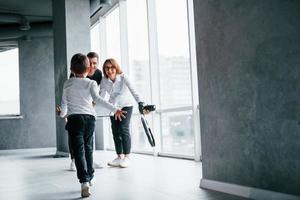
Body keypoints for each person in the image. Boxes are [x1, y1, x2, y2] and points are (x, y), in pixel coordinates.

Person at [56, 53, 126, 198]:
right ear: (88, 69)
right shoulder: (91, 83)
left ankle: (84, 182)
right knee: (88, 149)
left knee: (78, 151)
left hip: (74, 120)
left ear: (71, 69)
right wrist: (115, 109)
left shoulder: (67, 83)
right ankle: (91, 175)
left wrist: (61, 114)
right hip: (89, 119)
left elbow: (64, 110)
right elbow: (98, 99)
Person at [100, 58, 149, 168]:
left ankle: (127, 157)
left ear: (116, 67)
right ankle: (119, 156)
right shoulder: (104, 80)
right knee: (115, 131)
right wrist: (95, 103)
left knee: (123, 129)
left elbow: (134, 91)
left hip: (126, 105)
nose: (110, 70)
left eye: (112, 67)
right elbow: (102, 95)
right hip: (113, 107)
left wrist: (141, 103)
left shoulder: (123, 77)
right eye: (107, 68)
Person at [68, 52, 103, 171]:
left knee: (88, 138)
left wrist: (93, 104)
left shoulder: (98, 74)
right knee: (75, 137)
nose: (92, 66)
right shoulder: (74, 74)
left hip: (89, 109)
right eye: (90, 63)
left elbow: (97, 93)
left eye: (95, 63)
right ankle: (73, 159)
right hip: (75, 110)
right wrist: (67, 112)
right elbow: (70, 94)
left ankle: (90, 161)